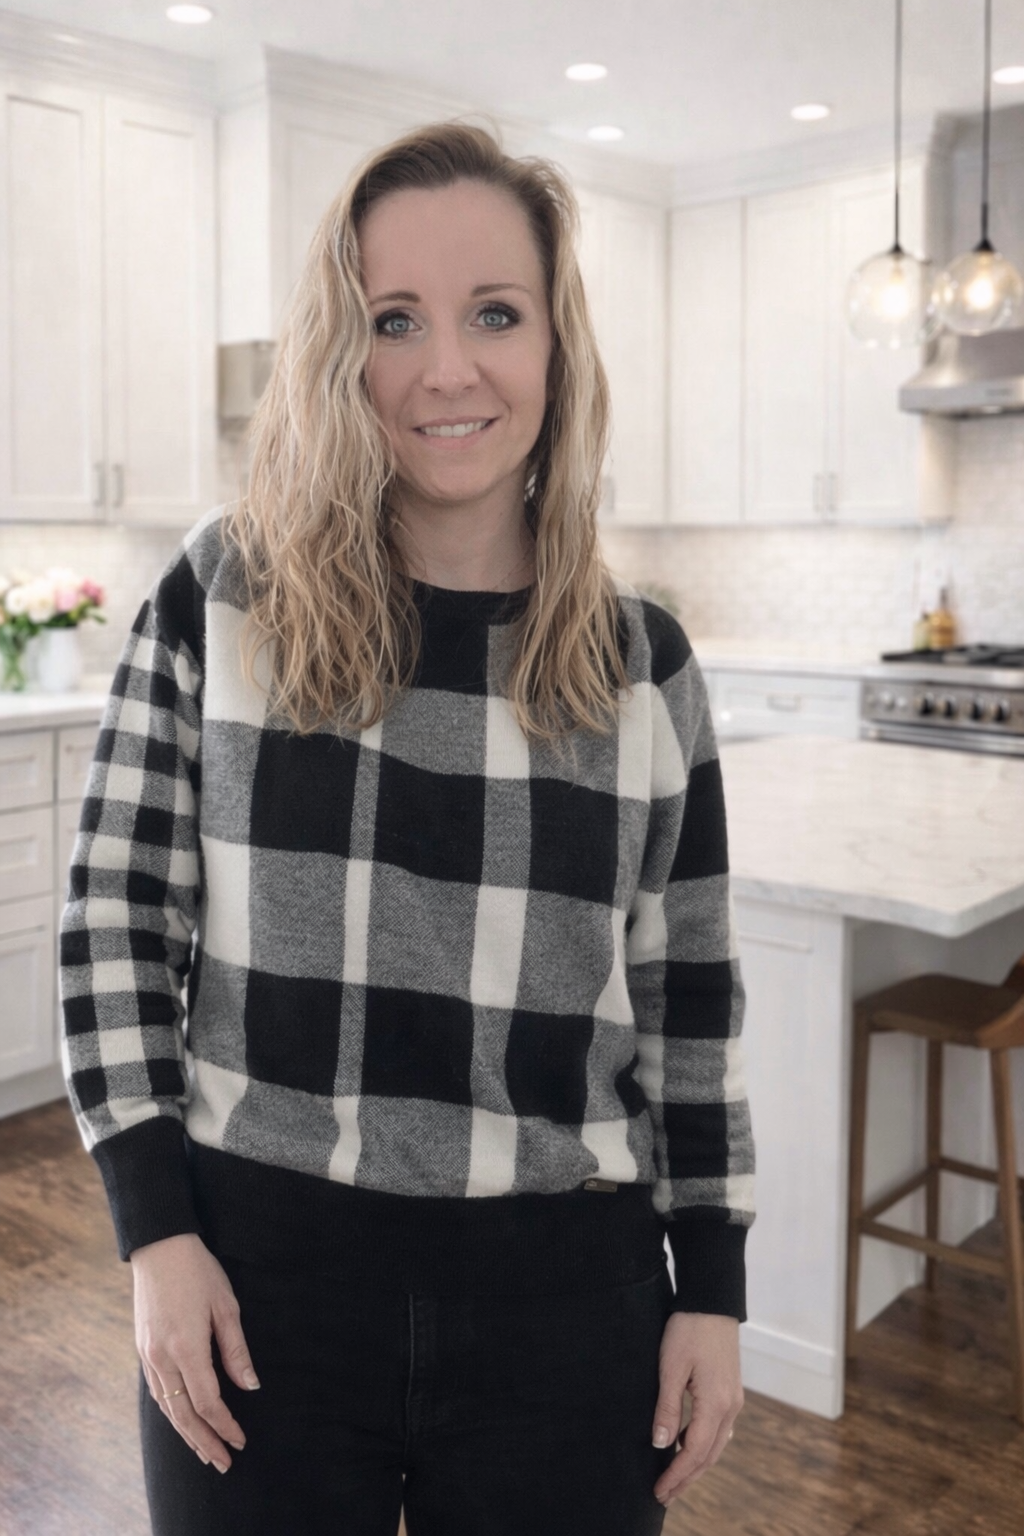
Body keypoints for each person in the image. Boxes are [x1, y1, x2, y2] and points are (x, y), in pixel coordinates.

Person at [58, 118, 755, 1536]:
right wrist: (156, 1235)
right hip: (257, 1302)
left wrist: (717, 1290)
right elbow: (116, 919)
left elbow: (691, 1003)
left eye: (496, 313)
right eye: (394, 320)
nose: (449, 368)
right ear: (337, 351)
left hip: (570, 1314)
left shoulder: (643, 664)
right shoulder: (224, 595)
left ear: (559, 350)